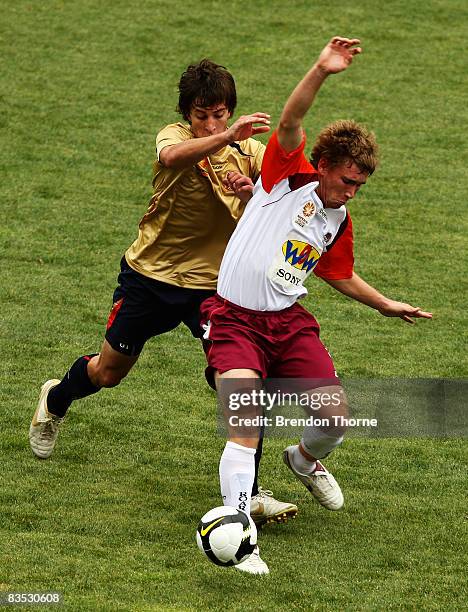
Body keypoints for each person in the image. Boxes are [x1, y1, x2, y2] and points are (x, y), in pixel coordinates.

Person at [29, 59, 298, 526]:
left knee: (241, 385)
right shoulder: (173, 138)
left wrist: (251, 190)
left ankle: (249, 494)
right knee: (108, 372)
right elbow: (174, 159)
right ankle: (55, 400)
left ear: (230, 109)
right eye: (202, 115)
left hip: (215, 289)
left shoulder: (251, 152)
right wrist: (225, 137)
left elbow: (282, 201)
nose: (211, 123)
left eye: (220, 114)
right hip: (150, 278)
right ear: (186, 115)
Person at [200, 36, 432, 574]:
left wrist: (385, 305)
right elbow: (289, 120)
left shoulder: (337, 220)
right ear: (323, 165)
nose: (352, 192)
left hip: (289, 324)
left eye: (361, 186)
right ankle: (242, 537)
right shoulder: (287, 178)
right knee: (244, 418)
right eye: (348, 180)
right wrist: (322, 70)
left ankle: (302, 460)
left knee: (336, 419)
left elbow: (340, 274)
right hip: (234, 320)